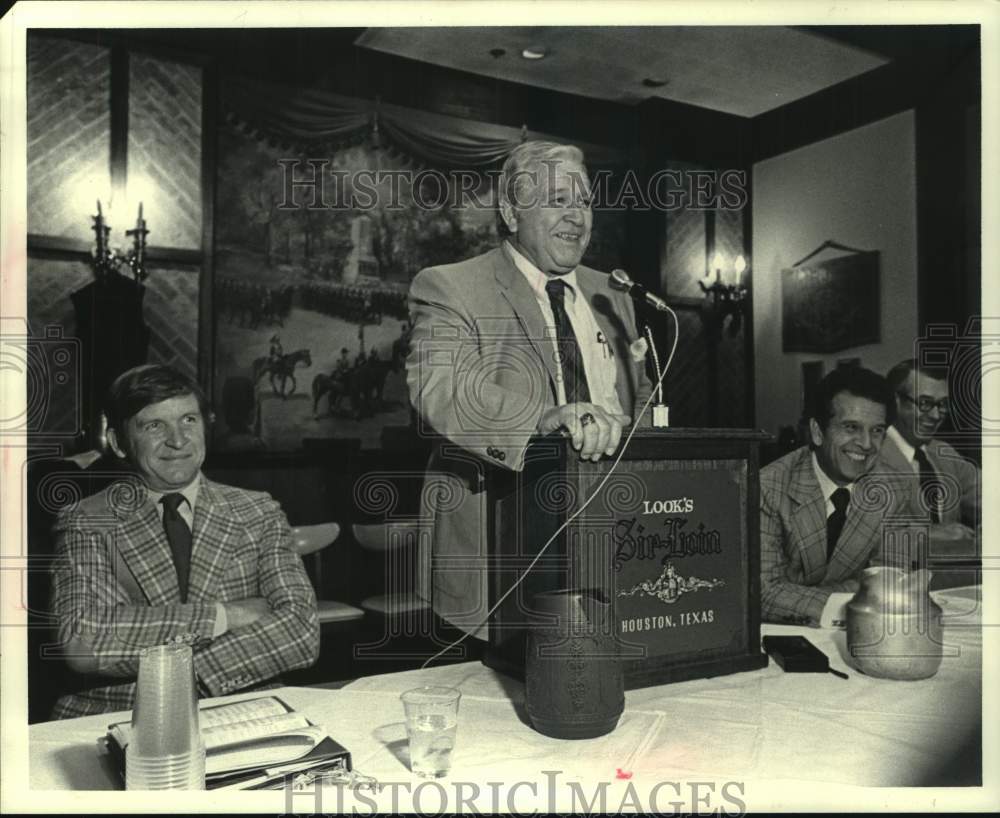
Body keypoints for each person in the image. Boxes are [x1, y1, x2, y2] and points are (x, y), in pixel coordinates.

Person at [406, 140, 653, 638]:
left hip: (610, 545)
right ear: (511, 213)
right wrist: (542, 418)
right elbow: (441, 386)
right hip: (501, 551)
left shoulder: (615, 293)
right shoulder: (448, 286)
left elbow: (642, 396)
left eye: (583, 201)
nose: (576, 216)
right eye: (557, 200)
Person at [49, 364, 320, 718]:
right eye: (154, 425)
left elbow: (301, 631)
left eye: (188, 420)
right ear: (118, 442)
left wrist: (189, 673)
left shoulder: (258, 511)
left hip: (241, 706)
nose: (177, 440)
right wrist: (224, 616)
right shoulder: (88, 519)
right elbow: (84, 641)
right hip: (118, 713)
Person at [760, 367, 913, 627]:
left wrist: (795, 592)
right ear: (818, 432)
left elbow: (892, 582)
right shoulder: (768, 487)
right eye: (851, 427)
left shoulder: (893, 490)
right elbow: (764, 592)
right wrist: (853, 599)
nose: (866, 444)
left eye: (876, 431)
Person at [879, 359, 980, 550]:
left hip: (950, 577)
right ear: (895, 401)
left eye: (942, 404)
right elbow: (854, 536)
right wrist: (928, 533)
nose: (936, 415)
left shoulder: (944, 453)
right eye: (925, 403)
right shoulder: (868, 454)